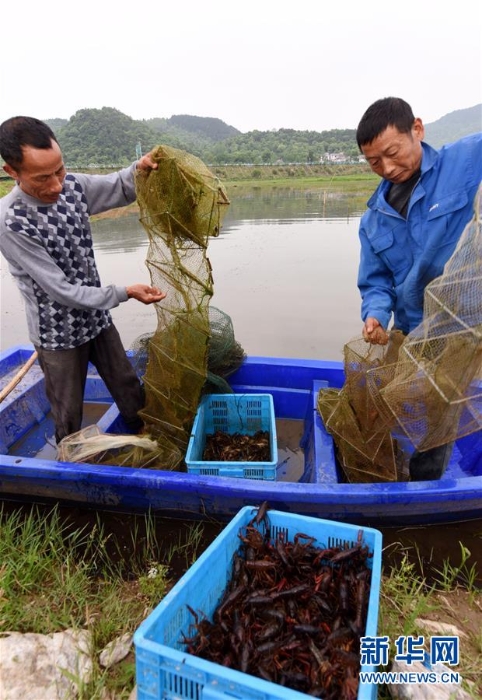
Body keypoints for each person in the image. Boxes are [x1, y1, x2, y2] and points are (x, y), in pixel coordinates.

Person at [0, 116, 166, 443]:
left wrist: (141, 167)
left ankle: (147, 437)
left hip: (97, 318)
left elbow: (119, 186)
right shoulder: (11, 220)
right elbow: (60, 291)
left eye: (59, 170)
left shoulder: (73, 187)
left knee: (127, 384)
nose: (56, 186)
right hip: (57, 333)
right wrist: (125, 291)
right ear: (12, 172)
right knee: (68, 409)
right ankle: (71, 459)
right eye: (42, 178)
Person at [355, 97, 482, 480]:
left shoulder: (466, 159)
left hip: (470, 318)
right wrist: (375, 314)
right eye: (375, 162)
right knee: (431, 418)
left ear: (418, 130)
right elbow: (375, 281)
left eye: (392, 153)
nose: (388, 168)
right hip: (421, 333)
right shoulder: (373, 219)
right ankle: (424, 489)